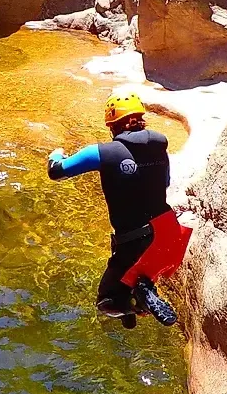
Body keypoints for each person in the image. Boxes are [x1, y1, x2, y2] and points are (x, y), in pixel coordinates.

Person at [46, 93, 191, 329]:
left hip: (136, 243)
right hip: (169, 235)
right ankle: (140, 295)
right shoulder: (159, 146)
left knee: (106, 303)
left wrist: (56, 154)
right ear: (141, 119)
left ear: (112, 125)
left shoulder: (103, 152)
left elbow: (57, 171)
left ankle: (141, 301)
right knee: (133, 281)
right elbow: (164, 183)